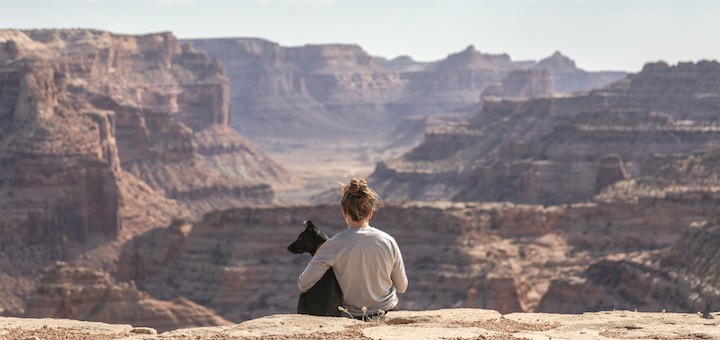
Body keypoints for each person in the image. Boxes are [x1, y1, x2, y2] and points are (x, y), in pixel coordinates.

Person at [297, 178, 408, 319]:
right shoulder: (388, 241)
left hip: (353, 317)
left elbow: (303, 284)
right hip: (387, 312)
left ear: (344, 212)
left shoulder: (333, 245)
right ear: (370, 213)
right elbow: (402, 287)